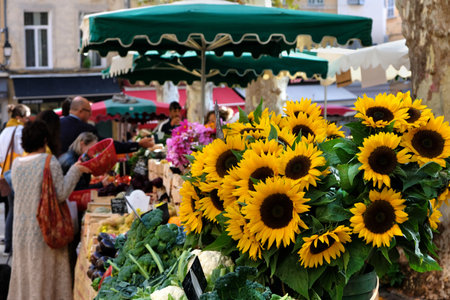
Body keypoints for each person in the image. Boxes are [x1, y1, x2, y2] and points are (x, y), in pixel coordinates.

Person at [7, 120, 90, 300]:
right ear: (45, 140)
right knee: (46, 276)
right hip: (45, 228)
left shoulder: (17, 163)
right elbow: (61, 194)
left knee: (27, 275)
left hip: (21, 231)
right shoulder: (48, 161)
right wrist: (76, 170)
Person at [59, 96, 154, 154]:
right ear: (81, 111)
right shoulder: (86, 128)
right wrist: (137, 144)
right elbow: (106, 145)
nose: (90, 115)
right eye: (89, 112)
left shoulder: (58, 124)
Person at [0, 104, 30, 256]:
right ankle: (15, 245)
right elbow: (26, 152)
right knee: (19, 211)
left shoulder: (4, 131)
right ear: (19, 117)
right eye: (26, 117)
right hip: (18, 175)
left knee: (12, 209)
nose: (27, 120)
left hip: (5, 174)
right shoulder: (19, 131)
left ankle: (9, 245)